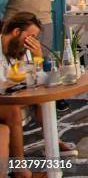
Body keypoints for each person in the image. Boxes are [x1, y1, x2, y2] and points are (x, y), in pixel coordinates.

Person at [0, 13, 78, 177]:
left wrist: (37, 57)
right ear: (15, 32)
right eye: (30, 36)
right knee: (12, 109)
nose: (32, 41)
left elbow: (38, 78)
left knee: (43, 98)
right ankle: (20, 171)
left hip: (11, 95)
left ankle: (54, 144)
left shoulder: (22, 48)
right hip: (4, 99)